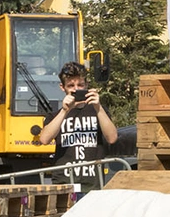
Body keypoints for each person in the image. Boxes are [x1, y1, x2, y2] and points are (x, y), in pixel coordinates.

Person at [37, 61, 118, 193]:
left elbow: (112, 138)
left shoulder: (98, 111)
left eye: (80, 85)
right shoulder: (56, 115)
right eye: (71, 86)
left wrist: (98, 107)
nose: (76, 90)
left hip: (93, 184)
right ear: (62, 87)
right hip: (64, 184)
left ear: (87, 85)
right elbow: (44, 139)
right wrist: (65, 111)